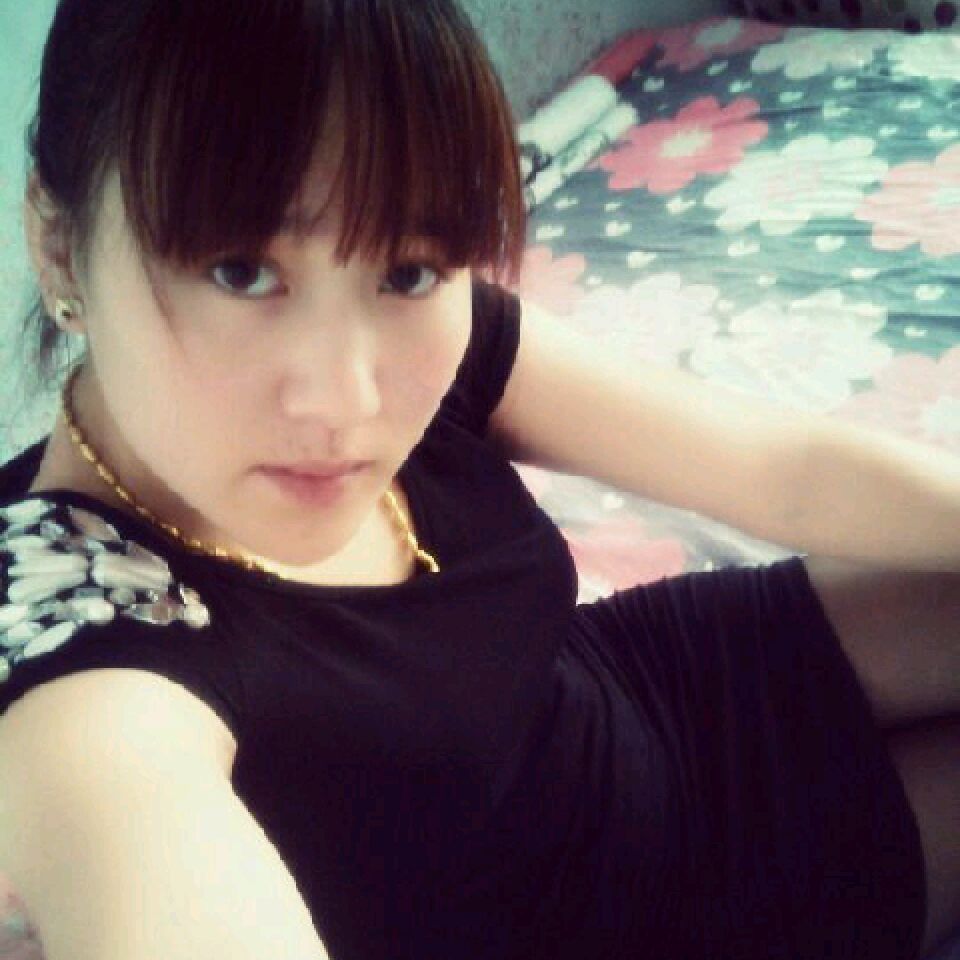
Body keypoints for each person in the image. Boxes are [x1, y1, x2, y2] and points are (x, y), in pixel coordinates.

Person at [0, 1, 957, 958]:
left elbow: (782, 471)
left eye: (408, 270)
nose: (349, 398)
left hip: (653, 684)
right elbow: (116, 803)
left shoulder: (437, 337)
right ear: (58, 246)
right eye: (241, 271)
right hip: (666, 915)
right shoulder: (80, 656)